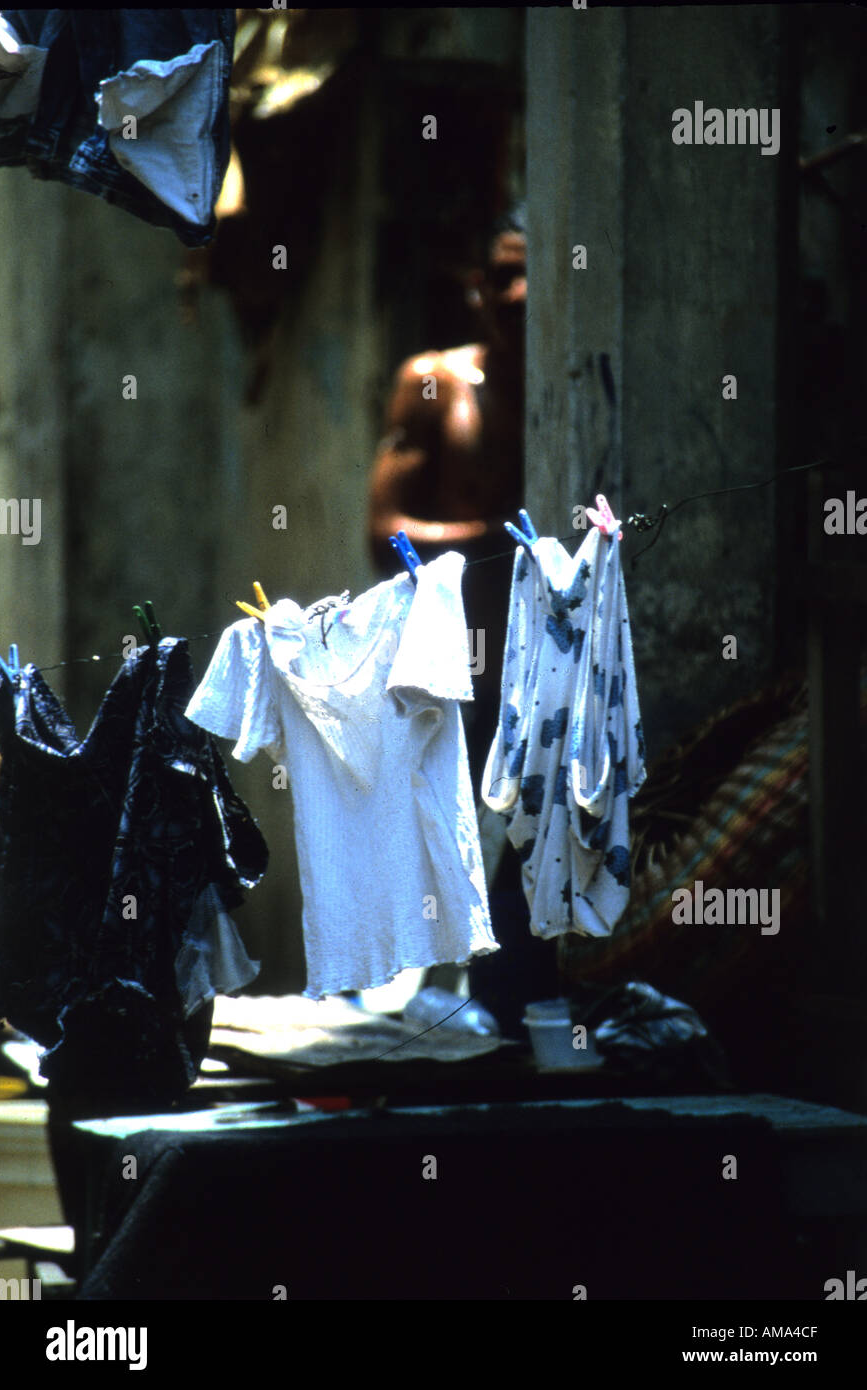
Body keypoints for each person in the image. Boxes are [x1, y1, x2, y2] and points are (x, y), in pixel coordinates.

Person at [368, 206, 559, 1035]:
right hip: (464, 675)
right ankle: (479, 1032)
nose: (517, 293)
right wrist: (503, 545)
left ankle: (530, 1030)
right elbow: (385, 530)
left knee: (540, 859)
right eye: (503, 274)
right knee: (467, 862)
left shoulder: (571, 386)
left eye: (534, 275)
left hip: (553, 679)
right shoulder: (436, 380)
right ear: (478, 286)